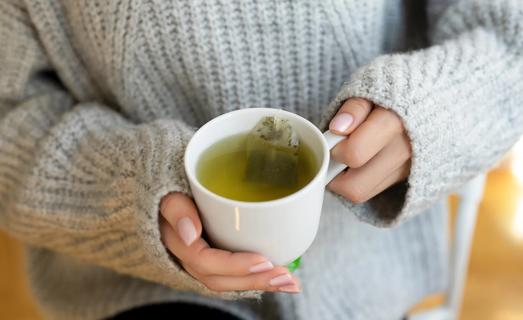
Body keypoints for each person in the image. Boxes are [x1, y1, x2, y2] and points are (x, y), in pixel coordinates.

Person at [1, 0, 522, 319]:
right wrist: (128, 191)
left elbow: (510, 34)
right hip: (136, 287)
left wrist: (427, 109)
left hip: (368, 277)